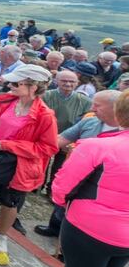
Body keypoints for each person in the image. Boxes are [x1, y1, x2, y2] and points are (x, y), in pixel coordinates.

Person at [0, 65, 58, 254]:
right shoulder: (6, 103)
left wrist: (7, 145)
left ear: (33, 86)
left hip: (20, 166)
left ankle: (2, 236)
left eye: (17, 83)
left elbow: (47, 147)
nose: (11, 85)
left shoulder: (45, 116)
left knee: (10, 202)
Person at [52, 90, 129, 267]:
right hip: (124, 238)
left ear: (120, 114)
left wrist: (60, 203)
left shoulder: (98, 146)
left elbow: (63, 186)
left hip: (89, 228)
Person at [35, 90, 122, 239]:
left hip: (98, 183)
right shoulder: (90, 121)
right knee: (61, 205)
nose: (92, 109)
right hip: (74, 174)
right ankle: (54, 227)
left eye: (98, 105)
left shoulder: (123, 133)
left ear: (115, 108)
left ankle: (68, 241)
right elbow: (61, 139)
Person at [41, 70, 93, 192]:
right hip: (45, 136)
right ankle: (38, 184)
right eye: (64, 81)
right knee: (42, 162)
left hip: (69, 139)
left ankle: (52, 189)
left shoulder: (85, 101)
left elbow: (85, 122)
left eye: (72, 81)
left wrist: (72, 140)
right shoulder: (46, 96)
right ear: (56, 81)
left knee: (60, 166)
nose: (68, 84)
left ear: (77, 83)